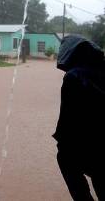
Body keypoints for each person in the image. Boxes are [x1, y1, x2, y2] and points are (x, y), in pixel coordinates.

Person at [54, 35, 105, 201]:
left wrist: (62, 141)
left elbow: (68, 117)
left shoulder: (73, 77)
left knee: (65, 158)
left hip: (88, 145)